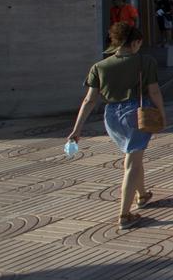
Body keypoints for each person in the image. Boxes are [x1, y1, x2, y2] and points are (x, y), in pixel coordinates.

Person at [66, 23, 165, 230]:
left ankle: (142, 194)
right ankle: (124, 214)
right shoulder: (145, 61)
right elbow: (154, 91)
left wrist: (77, 130)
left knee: (133, 156)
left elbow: (89, 100)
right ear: (135, 42)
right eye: (139, 43)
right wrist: (161, 113)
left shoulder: (99, 67)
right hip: (136, 114)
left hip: (111, 116)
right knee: (132, 163)